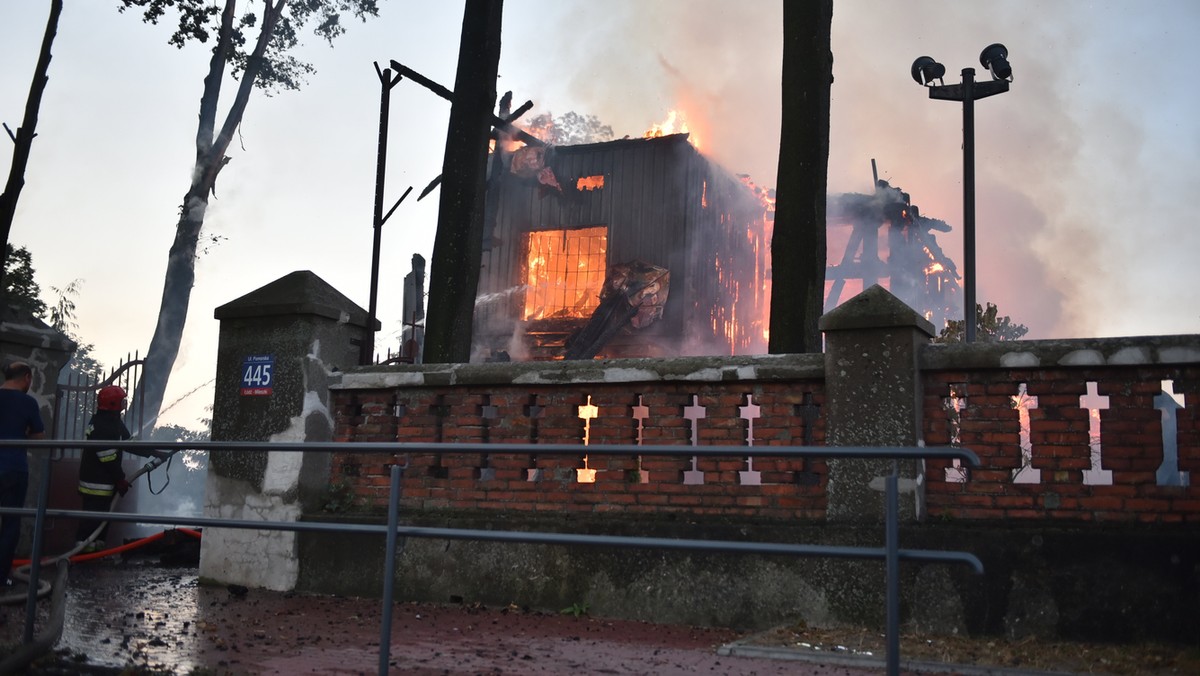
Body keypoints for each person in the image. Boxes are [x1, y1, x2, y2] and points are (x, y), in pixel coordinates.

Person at [75, 385, 164, 552]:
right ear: (113, 403)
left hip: (102, 481)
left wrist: (154, 452)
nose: (124, 404)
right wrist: (120, 480)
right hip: (97, 483)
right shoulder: (104, 425)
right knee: (92, 520)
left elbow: (129, 443)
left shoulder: (111, 421)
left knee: (103, 520)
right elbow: (107, 458)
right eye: (122, 401)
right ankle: (81, 556)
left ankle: (96, 554)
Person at [0, 361, 45, 586]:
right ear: (27, 378)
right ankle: (0, 578)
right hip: (13, 469)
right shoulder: (28, 403)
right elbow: (38, 436)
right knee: (10, 523)